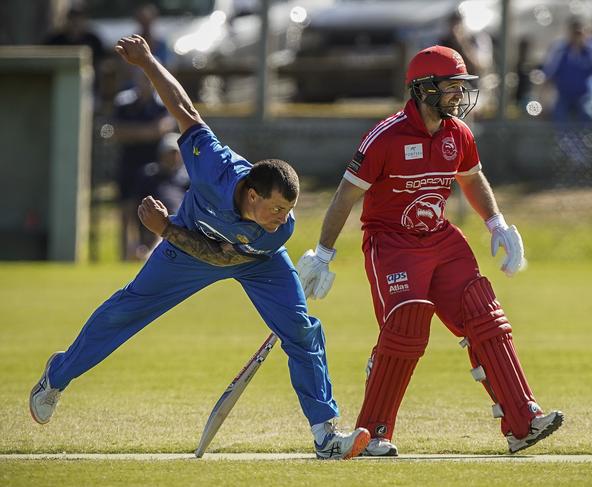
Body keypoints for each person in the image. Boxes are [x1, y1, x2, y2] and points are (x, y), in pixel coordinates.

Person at [29, 34, 370, 460]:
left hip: (253, 260)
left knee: (302, 331)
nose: (284, 217)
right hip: (187, 249)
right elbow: (184, 109)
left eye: (289, 210)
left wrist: (164, 229)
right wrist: (149, 61)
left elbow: (225, 257)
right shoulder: (213, 165)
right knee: (128, 309)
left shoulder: (278, 231)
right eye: (277, 207)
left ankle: (325, 434)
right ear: (251, 195)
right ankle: (56, 377)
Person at [296, 46, 564, 457]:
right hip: (391, 243)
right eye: (450, 88)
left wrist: (497, 224)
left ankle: (522, 422)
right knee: (406, 325)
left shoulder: (458, 133)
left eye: (461, 87)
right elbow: (345, 196)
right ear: (423, 89)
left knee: (485, 315)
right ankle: (374, 432)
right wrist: (323, 253)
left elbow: (472, 179)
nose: (459, 96)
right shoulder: (385, 137)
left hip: (440, 238)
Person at [112, 71, 176, 260]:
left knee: (152, 212)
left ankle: (151, 255)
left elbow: (163, 128)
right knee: (127, 212)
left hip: (153, 170)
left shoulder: (161, 104)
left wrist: (133, 132)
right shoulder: (124, 103)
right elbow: (115, 131)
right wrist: (148, 131)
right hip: (128, 166)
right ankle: (125, 256)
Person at [542, 16, 592, 123]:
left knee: (588, 112)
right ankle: (564, 139)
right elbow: (548, 76)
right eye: (574, 31)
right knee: (559, 116)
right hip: (563, 96)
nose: (578, 35)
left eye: (581, 32)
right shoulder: (559, 49)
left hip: (588, 96)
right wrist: (542, 102)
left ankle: (585, 139)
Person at [134, 132, 190, 259]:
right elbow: (137, 204)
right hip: (156, 218)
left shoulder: (187, 178)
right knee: (160, 224)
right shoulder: (150, 176)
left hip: (181, 220)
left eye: (176, 154)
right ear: (161, 154)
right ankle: (152, 251)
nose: (173, 158)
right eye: (169, 153)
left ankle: (152, 253)